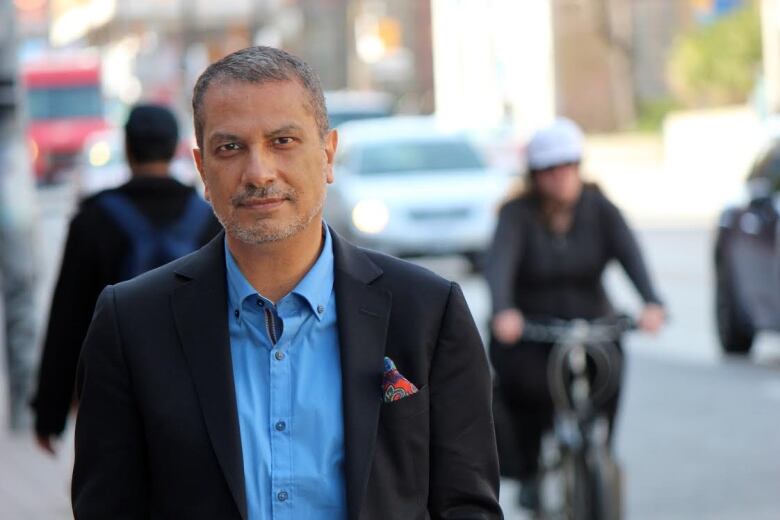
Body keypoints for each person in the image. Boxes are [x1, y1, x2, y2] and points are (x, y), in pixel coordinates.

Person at [71, 46, 501, 520]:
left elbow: (467, 506)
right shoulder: (131, 324)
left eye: (282, 141)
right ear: (201, 171)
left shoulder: (428, 312)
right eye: (230, 147)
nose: (259, 172)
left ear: (328, 154)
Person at [486, 117, 665, 510]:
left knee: (613, 367)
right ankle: (531, 469)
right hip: (534, 330)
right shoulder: (516, 215)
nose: (561, 177)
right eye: (550, 169)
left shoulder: (600, 209)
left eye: (569, 166)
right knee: (525, 393)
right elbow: (499, 265)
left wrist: (652, 303)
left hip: (593, 323)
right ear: (535, 175)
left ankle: (603, 447)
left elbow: (631, 256)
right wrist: (503, 312)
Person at [32, 104, 221, 454]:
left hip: (112, 388)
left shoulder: (93, 220)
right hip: (195, 392)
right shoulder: (210, 219)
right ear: (174, 146)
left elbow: (67, 320)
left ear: (128, 148)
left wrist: (49, 412)